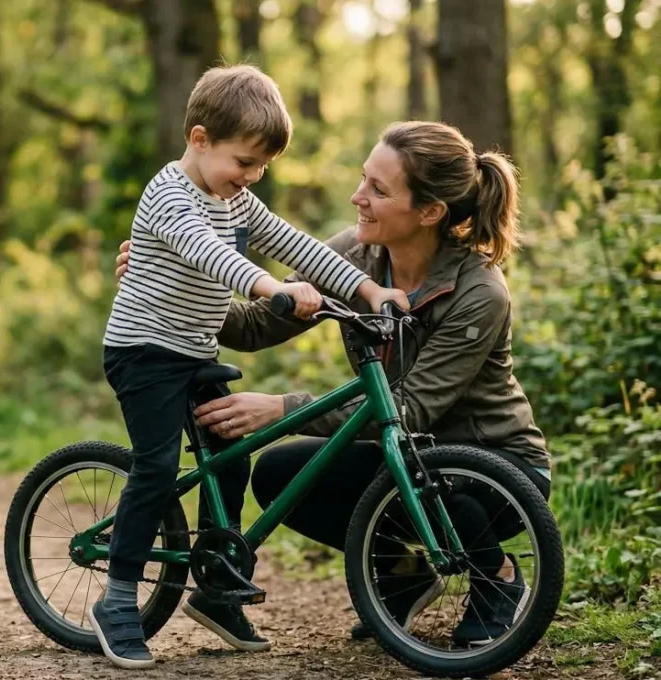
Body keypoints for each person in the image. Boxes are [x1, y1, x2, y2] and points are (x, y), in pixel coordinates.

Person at [114, 120, 553, 648]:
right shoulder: (356, 255)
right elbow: (256, 326)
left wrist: (283, 408)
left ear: (430, 212)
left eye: (379, 190)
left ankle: (498, 578)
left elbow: (411, 410)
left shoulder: (479, 291)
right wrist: (172, 285)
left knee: (439, 483)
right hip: (404, 453)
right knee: (278, 472)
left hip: (493, 465)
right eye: (364, 179)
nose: (357, 197)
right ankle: (399, 570)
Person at [91, 64, 409, 670]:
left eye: (262, 167)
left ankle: (218, 583)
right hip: (145, 354)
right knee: (157, 467)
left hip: (195, 352)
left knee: (230, 451)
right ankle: (120, 599)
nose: (252, 177)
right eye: (244, 161)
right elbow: (207, 254)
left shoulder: (234, 197)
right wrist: (271, 290)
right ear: (200, 138)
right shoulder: (169, 194)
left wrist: (370, 293)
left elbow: (299, 246)